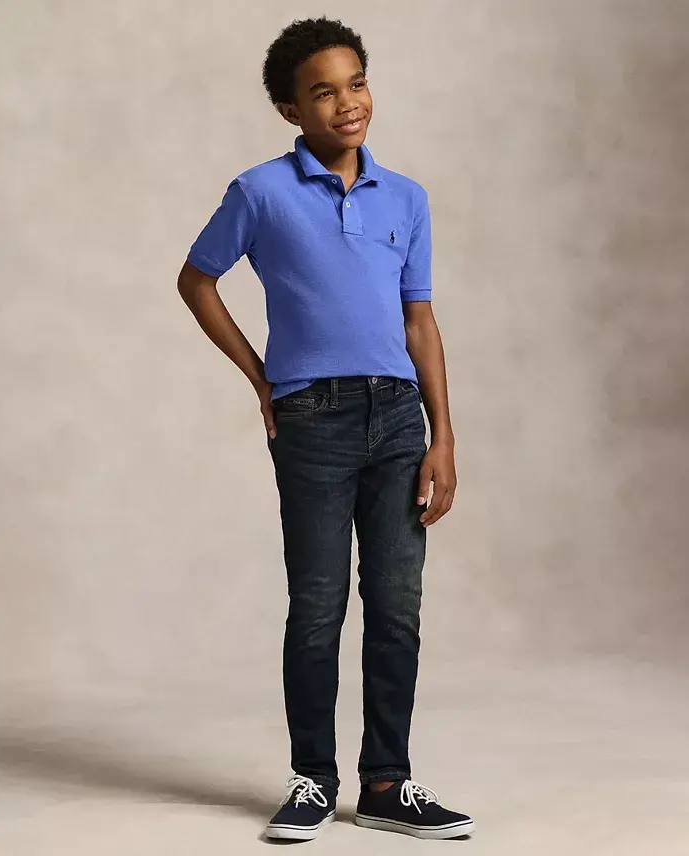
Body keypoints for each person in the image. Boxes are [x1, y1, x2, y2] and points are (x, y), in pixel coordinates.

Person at [177, 15, 474, 842]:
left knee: (398, 604)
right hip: (312, 419)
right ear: (290, 110)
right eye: (323, 92)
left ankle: (387, 783)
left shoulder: (406, 198)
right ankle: (313, 778)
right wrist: (261, 376)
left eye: (357, 83)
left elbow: (419, 321)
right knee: (316, 604)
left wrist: (443, 436)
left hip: (399, 417)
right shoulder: (260, 193)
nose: (347, 104)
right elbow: (196, 280)